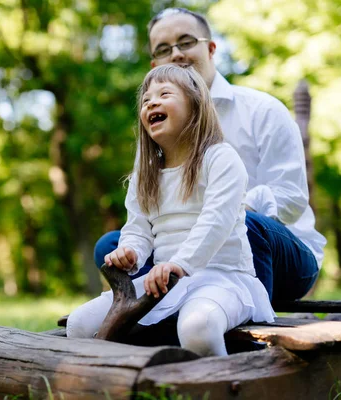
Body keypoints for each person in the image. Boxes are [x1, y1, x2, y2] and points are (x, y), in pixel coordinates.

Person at [94, 8, 326, 303]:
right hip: (186, 250)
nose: (176, 54)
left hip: (278, 257)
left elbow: (292, 199)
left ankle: (246, 322)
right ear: (155, 64)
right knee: (111, 247)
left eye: (186, 41)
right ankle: (166, 311)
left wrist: (226, 206)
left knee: (242, 223)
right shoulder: (156, 130)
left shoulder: (263, 110)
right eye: (164, 49)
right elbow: (145, 211)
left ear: (211, 47)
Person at [67, 65, 275, 357]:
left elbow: (216, 221)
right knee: (79, 325)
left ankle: (220, 385)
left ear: (195, 106)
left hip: (223, 278)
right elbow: (138, 230)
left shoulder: (220, 158)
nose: (151, 102)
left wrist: (180, 264)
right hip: (166, 282)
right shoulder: (146, 174)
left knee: (198, 328)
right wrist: (130, 253)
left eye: (165, 94)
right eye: (146, 100)